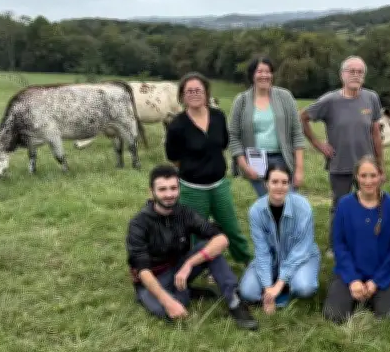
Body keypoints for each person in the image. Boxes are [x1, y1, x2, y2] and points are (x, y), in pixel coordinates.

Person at [125, 164, 258, 330]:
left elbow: (222, 240)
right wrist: (168, 302)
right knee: (168, 311)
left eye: (173, 188)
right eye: (162, 189)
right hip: (152, 278)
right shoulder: (139, 223)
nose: (169, 194)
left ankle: (234, 302)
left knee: (210, 249)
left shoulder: (185, 213)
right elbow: (142, 270)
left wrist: (189, 264)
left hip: (180, 268)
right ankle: (184, 293)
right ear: (151, 192)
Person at [300, 56, 385, 256]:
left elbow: (375, 132)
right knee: (339, 207)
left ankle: (370, 241)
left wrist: (380, 165)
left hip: (367, 166)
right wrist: (318, 143)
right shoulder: (330, 101)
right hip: (340, 163)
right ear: (342, 75)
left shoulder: (371, 98)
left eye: (360, 72)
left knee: (372, 203)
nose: (355, 75)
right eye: (351, 71)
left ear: (364, 76)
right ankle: (334, 246)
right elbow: (303, 117)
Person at [164, 72, 252, 264]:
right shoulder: (177, 125)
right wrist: (195, 169)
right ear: (182, 96)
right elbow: (174, 158)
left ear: (206, 93)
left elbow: (223, 144)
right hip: (193, 190)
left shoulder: (218, 116)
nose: (194, 94)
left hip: (219, 185)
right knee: (196, 232)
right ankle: (202, 268)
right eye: (189, 91)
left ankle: (247, 260)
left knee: (231, 227)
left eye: (198, 90)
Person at [322, 155, 390, 323]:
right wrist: (353, 279)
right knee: (333, 315)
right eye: (363, 176)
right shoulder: (345, 205)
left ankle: (374, 295)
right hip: (350, 273)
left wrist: (376, 282)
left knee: (389, 316)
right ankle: (356, 294)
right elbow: (339, 245)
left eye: (373, 175)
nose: (368, 181)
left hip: (385, 274)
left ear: (381, 176)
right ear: (356, 177)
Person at [239, 166, 321, 313]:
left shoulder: (303, 207)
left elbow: (301, 250)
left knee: (304, 288)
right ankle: (279, 290)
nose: (279, 187)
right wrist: (267, 287)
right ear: (266, 184)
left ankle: (284, 285)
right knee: (247, 292)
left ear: (289, 185)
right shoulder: (256, 211)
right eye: (274, 181)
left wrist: (277, 286)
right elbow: (262, 252)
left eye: (284, 182)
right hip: (271, 260)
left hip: (301, 258)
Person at [228, 56, 306, 197]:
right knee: (267, 203)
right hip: (256, 162)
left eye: (268, 71)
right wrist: (245, 166)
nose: (264, 75)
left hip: (283, 160)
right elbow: (233, 136)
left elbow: (297, 133)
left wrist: (299, 169)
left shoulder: (285, 97)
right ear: (252, 75)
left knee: (287, 202)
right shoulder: (242, 100)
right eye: (260, 72)